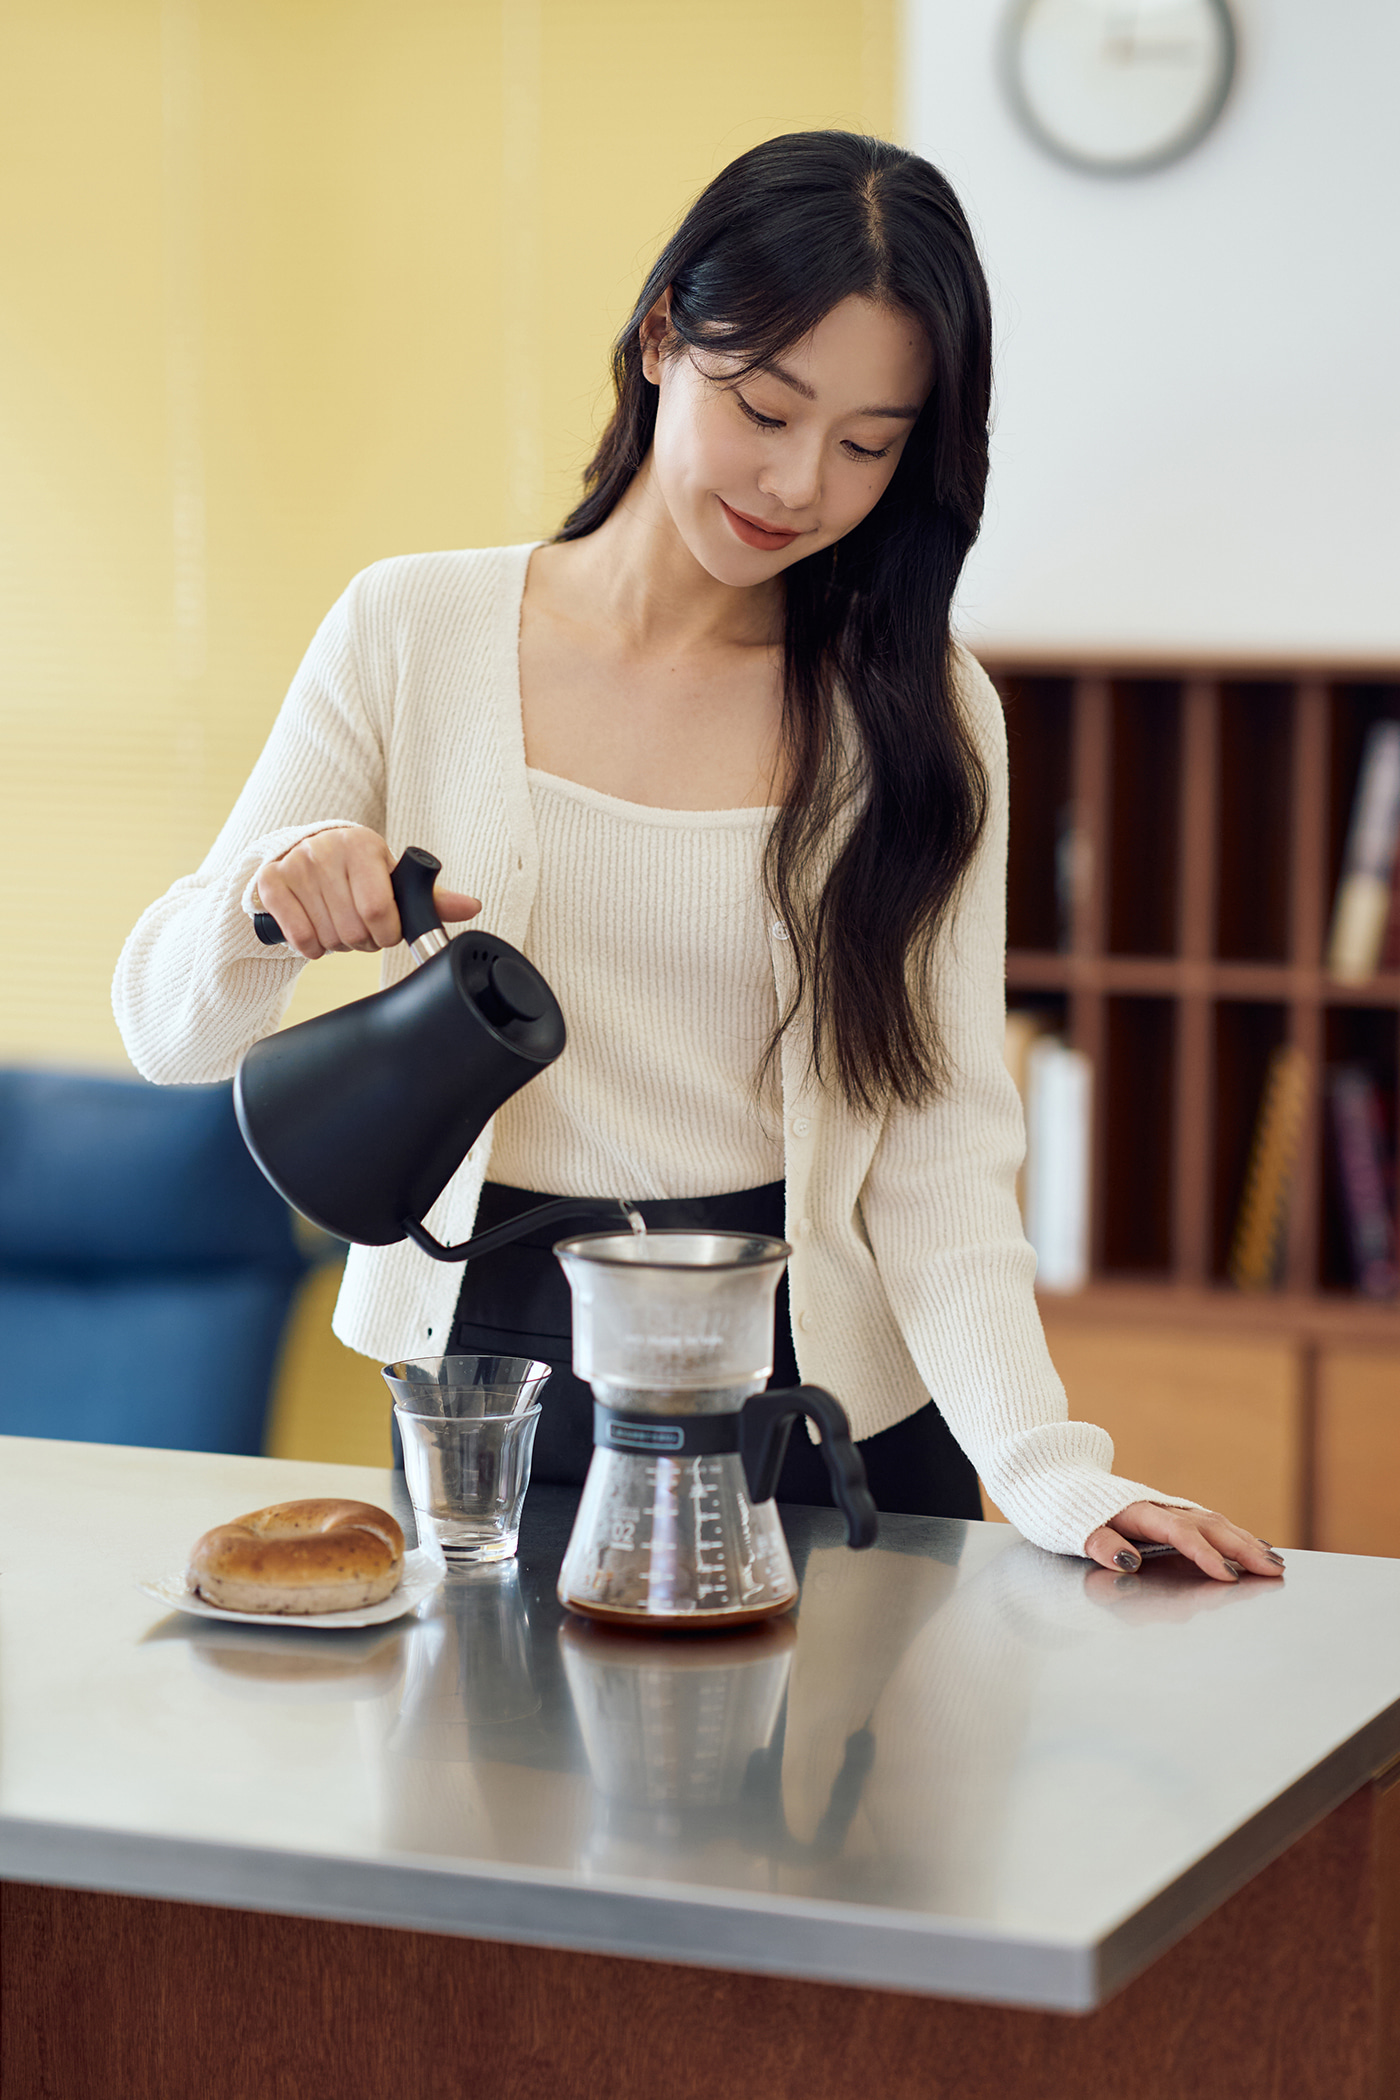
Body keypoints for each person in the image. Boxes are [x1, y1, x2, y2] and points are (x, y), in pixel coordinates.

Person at [114, 130, 1282, 1584]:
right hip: (502, 1378)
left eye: (869, 444)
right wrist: (272, 897)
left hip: (821, 1394)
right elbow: (168, 1028)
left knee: (851, 1811)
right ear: (664, 336)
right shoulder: (411, 632)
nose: (801, 484)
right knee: (490, 1802)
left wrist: (1045, 1468)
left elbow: (941, 1148)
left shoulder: (919, 712)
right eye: (768, 408)